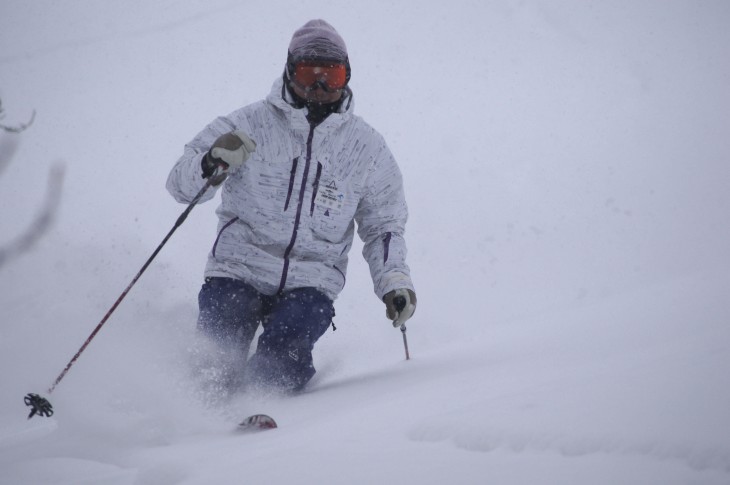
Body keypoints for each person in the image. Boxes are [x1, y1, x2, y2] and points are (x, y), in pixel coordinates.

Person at [166, 19, 416, 393]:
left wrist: (394, 282)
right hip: (239, 267)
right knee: (215, 360)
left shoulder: (367, 148)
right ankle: (197, 417)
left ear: (347, 76)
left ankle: (264, 413)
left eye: (330, 76)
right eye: (307, 74)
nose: (318, 87)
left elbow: (383, 226)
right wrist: (210, 164)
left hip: (311, 279)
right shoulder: (247, 124)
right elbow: (181, 187)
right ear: (288, 72)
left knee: (284, 358)